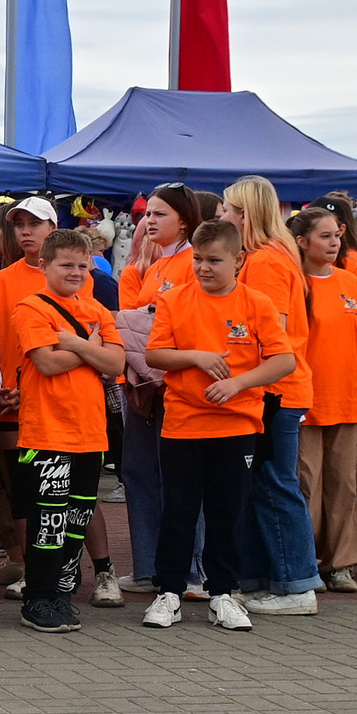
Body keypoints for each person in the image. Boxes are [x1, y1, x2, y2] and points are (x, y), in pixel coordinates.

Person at [141, 220, 294, 633]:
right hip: (183, 424)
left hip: (238, 425)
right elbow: (155, 354)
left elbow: (284, 360)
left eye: (214, 260)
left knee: (228, 513)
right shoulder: (173, 299)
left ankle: (223, 593)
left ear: (238, 260)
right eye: (197, 258)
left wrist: (237, 383)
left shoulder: (257, 303)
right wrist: (195, 356)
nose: (203, 267)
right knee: (179, 511)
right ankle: (169, 591)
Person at [8, 229, 123, 634]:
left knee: (76, 519)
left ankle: (60, 594)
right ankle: (37, 598)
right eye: (66, 265)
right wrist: (93, 349)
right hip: (48, 434)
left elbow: (117, 365)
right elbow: (47, 364)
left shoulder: (97, 310)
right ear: (44, 266)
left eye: (82, 265)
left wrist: (73, 343)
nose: (76, 272)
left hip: (91, 434)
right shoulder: (30, 308)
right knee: (48, 522)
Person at [217, 177, 321, 616]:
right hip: (271, 388)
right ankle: (270, 579)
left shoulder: (266, 262)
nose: (220, 215)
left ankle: (297, 585)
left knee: (277, 485)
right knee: (263, 486)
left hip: (275, 390)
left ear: (244, 214)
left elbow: (268, 331)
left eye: (226, 209)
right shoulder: (273, 258)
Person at [116, 184, 201, 594]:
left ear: (184, 220)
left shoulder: (190, 263)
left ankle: (188, 570)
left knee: (178, 478)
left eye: (159, 214)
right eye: (147, 214)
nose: (149, 221)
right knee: (140, 471)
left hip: (177, 385)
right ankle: (149, 565)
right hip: (145, 384)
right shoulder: (153, 268)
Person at [289, 204, 357, 593]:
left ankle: (342, 564)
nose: (334, 242)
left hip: (346, 400)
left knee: (345, 484)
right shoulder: (294, 284)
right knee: (307, 482)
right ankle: (307, 560)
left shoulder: (352, 282)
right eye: (325, 236)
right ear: (302, 242)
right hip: (306, 401)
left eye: (337, 235)